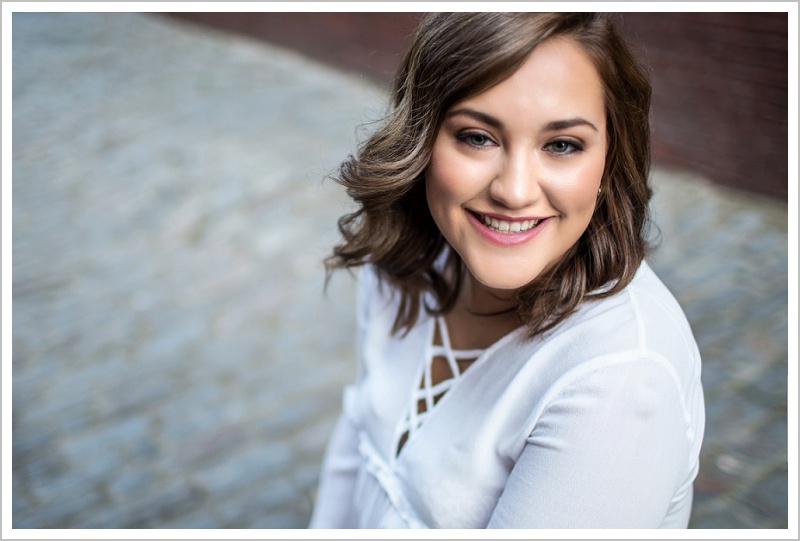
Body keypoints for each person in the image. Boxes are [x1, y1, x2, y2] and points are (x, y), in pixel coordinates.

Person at [309, 12, 705, 529]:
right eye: (477, 137)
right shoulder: (406, 259)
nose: (515, 191)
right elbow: (357, 447)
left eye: (561, 145)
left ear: (609, 162)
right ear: (422, 139)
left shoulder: (621, 378)